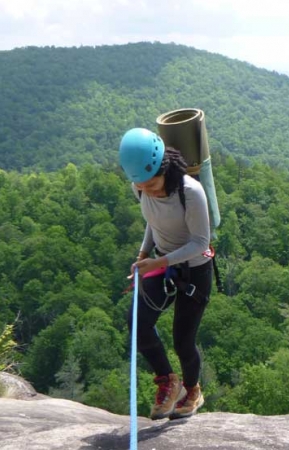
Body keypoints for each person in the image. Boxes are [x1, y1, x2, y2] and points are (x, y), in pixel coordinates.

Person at [119, 127, 213, 420]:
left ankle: (192, 390)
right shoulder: (142, 186)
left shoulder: (190, 192)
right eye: (141, 187)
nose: (147, 190)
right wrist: (142, 256)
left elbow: (200, 243)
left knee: (183, 340)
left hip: (195, 271)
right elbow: (153, 219)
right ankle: (167, 381)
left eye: (153, 184)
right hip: (161, 263)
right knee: (137, 323)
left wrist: (157, 263)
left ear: (165, 168)